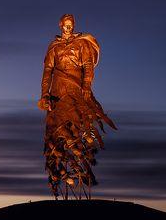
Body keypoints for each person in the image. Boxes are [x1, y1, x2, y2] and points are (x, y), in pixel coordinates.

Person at [38, 14, 116, 199]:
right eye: (65, 25)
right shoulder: (54, 46)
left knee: (84, 121)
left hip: (76, 87)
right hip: (57, 90)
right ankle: (60, 171)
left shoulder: (81, 43)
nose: (68, 28)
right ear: (60, 26)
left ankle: (84, 153)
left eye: (70, 25)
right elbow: (47, 71)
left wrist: (87, 85)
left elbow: (88, 65)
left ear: (73, 25)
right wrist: (44, 94)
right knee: (56, 130)